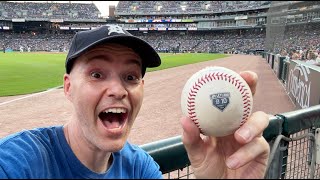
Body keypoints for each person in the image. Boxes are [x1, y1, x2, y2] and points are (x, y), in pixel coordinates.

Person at [0, 25, 270, 178]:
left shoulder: (141, 169)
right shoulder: (18, 162)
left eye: (130, 76)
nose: (118, 90)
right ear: (68, 87)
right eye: (97, 74)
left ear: (142, 87)